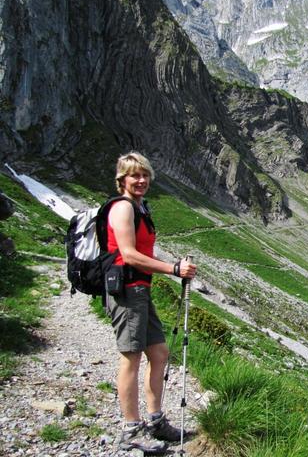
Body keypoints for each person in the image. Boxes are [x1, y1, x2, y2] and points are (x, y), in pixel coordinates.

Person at [105, 152, 196, 453]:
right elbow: (128, 254)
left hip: (140, 289)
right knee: (131, 357)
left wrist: (171, 266)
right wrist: (172, 269)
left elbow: (141, 254)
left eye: (145, 175)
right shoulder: (122, 208)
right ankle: (132, 430)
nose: (141, 180)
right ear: (123, 179)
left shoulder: (140, 208)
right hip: (126, 290)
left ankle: (155, 420)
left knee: (158, 352)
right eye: (135, 175)